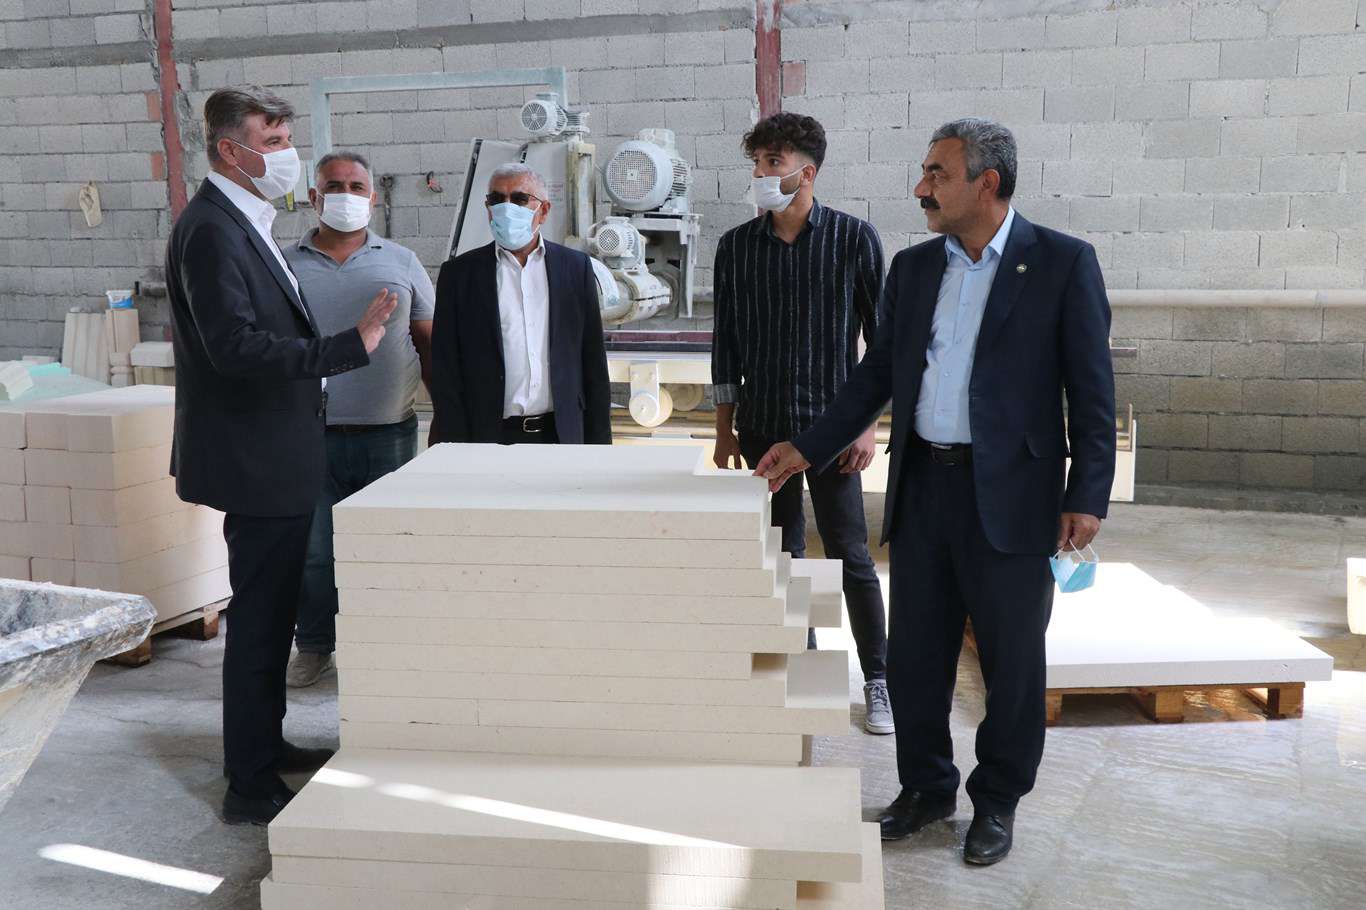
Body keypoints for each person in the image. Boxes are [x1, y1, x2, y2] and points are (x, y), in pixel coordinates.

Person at [754, 118, 1115, 865]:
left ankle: (998, 801)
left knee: (1013, 662)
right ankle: (924, 788)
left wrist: (1087, 494)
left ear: (987, 183)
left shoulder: (1061, 263)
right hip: (924, 487)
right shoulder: (916, 268)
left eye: (937, 174)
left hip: (1014, 496)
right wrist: (808, 446)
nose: (921, 187)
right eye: (925, 172)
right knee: (917, 654)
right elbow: (876, 375)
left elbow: (1092, 391)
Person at [166, 85, 397, 826]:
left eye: (287, 139)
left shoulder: (245, 220)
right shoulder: (212, 229)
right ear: (230, 150)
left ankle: (264, 745)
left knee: (270, 615)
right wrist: (349, 347)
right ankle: (249, 784)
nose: (286, 155)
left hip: (276, 452)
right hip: (257, 459)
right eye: (272, 141)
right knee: (261, 625)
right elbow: (233, 348)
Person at [711, 112, 891, 736]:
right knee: (784, 557)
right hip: (763, 426)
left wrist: (866, 425)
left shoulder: (853, 238)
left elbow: (883, 342)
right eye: (757, 162)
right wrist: (724, 428)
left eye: (773, 163)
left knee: (849, 554)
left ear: (806, 173)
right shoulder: (736, 247)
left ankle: (878, 680)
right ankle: (808, 675)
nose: (761, 173)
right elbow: (726, 343)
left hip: (833, 430)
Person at [282, 151, 435, 689]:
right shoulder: (285, 264)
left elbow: (428, 343)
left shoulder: (402, 261)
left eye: (356, 186)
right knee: (314, 553)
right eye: (333, 186)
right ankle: (314, 645)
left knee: (387, 547)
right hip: (308, 436)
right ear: (313, 197)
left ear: (373, 198)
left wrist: (447, 418)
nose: (345, 195)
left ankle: (384, 649)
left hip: (388, 433)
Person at [429, 162, 611, 446]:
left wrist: (600, 448)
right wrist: (454, 445)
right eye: (496, 199)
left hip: (561, 434)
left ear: (544, 211)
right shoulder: (459, 275)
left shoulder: (575, 269)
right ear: (488, 209)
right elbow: (446, 370)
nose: (506, 208)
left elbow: (593, 363)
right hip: (488, 437)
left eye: (519, 199)